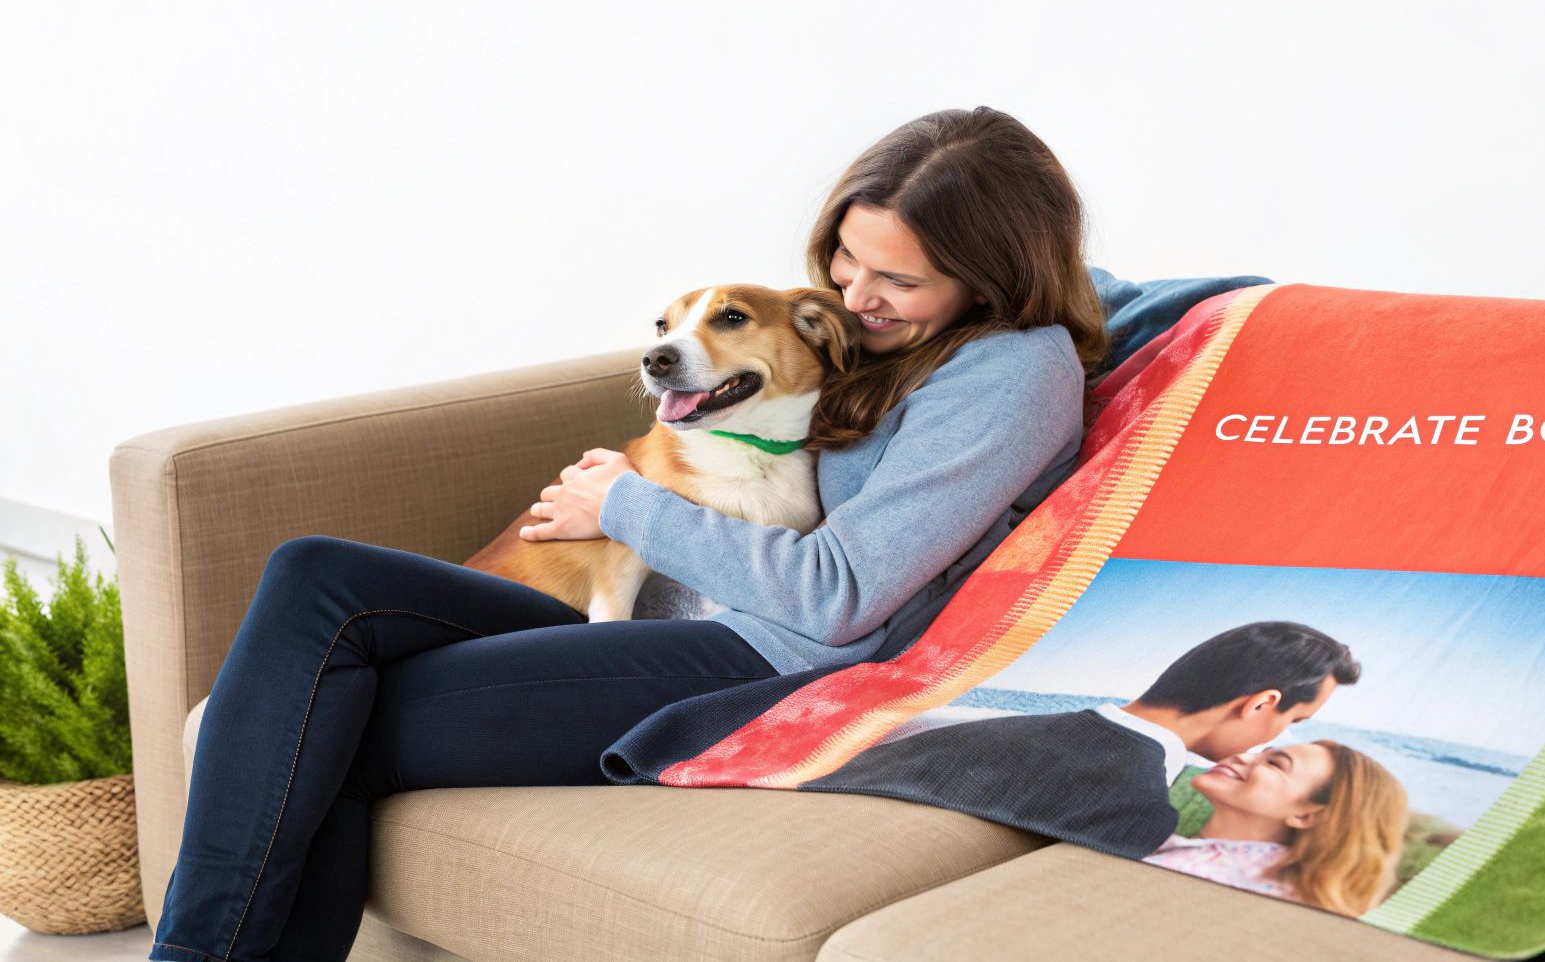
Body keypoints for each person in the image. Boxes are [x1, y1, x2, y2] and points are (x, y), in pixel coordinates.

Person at [148, 106, 1109, 962]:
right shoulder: (885, 336)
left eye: (896, 276)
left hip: (774, 652)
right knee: (315, 575)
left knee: (321, 712)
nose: (858, 295)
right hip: (668, 607)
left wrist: (623, 504)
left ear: (993, 276)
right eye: (846, 259)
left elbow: (841, 593)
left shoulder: (1012, 375)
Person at [799, 621, 1360, 858]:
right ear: (1262, 703)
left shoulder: (976, 728)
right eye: (1295, 722)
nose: (1278, 737)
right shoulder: (1138, 809)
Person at [1144, 740, 1409, 918]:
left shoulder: (1261, 897)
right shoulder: (1182, 848)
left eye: (1274, 764)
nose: (1245, 756)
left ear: (1307, 815)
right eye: (1263, 752)